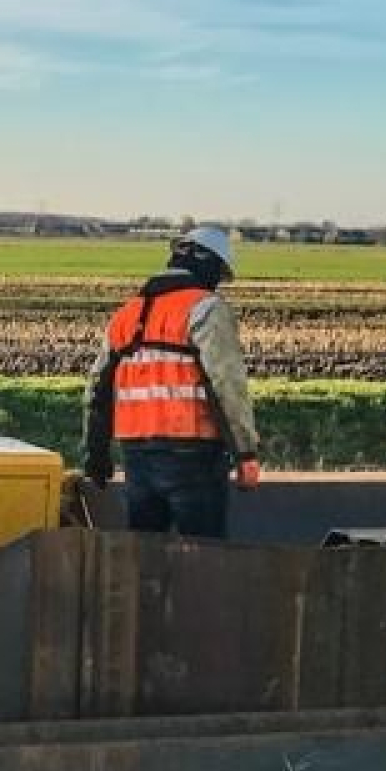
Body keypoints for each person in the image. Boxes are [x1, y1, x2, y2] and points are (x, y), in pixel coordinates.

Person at [82, 224, 262, 539]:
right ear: (210, 266)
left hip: (137, 453)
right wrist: (245, 453)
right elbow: (227, 384)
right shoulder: (205, 308)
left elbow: (97, 390)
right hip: (193, 452)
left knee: (145, 558)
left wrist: (95, 454)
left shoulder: (128, 314)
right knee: (205, 559)